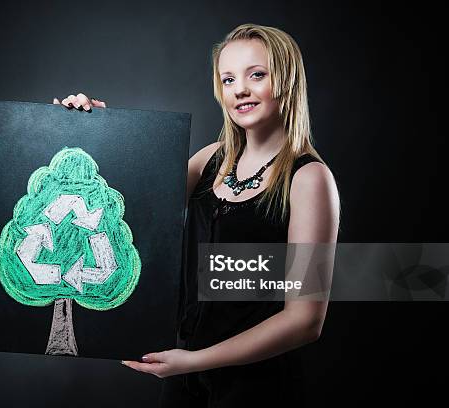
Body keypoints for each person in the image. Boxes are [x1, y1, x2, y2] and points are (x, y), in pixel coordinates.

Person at [53, 23, 340, 407]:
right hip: (184, 382)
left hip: (258, 388)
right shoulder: (210, 159)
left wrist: (193, 361)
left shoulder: (310, 178)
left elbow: (305, 321)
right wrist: (95, 129)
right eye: (228, 78)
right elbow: (127, 211)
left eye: (257, 75)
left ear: (287, 81)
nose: (240, 89)